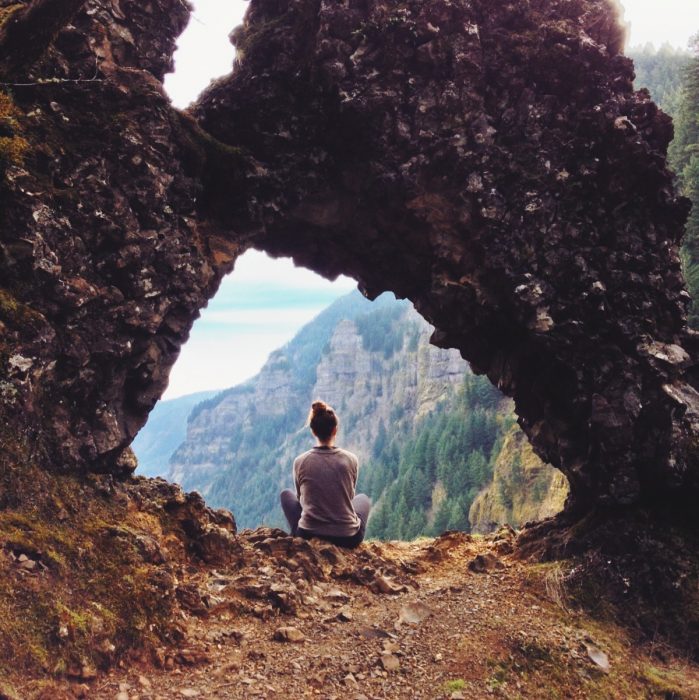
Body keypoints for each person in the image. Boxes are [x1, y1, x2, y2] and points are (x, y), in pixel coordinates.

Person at [280, 400, 371, 548]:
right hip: (348, 538)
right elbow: (350, 496)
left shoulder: (300, 461)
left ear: (313, 431)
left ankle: (297, 538)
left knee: (285, 494)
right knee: (363, 499)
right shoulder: (351, 459)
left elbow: (299, 498)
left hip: (308, 534)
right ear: (335, 430)